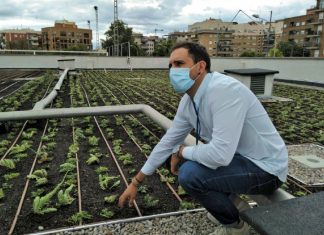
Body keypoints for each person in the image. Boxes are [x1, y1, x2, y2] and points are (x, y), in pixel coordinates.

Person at [118, 42, 288, 235]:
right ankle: (236, 208)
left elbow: (220, 156)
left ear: (200, 67)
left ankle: (236, 227)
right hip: (239, 159)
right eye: (171, 65)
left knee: (190, 174)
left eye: (179, 63)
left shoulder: (224, 91)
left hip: (266, 168)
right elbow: (168, 142)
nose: (173, 70)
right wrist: (135, 182)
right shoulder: (188, 101)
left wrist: (182, 151)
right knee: (172, 157)